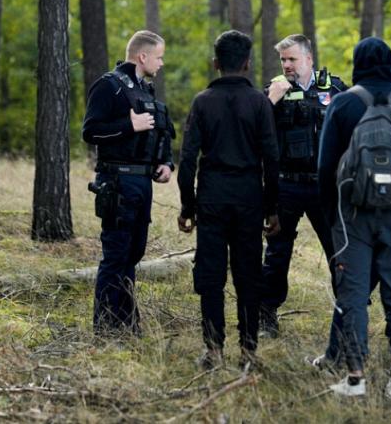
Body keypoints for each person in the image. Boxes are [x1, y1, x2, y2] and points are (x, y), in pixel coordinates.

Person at [316, 37, 391, 402]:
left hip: (352, 218)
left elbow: (324, 169)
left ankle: (355, 378)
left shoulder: (344, 103)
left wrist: (333, 217)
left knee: (352, 296)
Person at [177, 30, 281, 370]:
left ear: (216, 63)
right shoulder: (260, 103)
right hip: (249, 198)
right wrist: (271, 208)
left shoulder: (202, 101)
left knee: (210, 274)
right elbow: (272, 159)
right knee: (248, 274)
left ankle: (214, 350)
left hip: (212, 199)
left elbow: (188, 160)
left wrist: (187, 206)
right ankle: (249, 352)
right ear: (248, 63)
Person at [82, 30, 175, 336]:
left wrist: (165, 164)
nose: (161, 63)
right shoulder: (109, 86)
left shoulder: (145, 90)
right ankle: (105, 328)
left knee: (133, 255)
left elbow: (158, 135)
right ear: (142, 56)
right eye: (159, 57)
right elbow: (90, 131)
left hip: (141, 184)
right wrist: (127, 125)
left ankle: (126, 324)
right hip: (116, 181)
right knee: (116, 255)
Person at [260, 34, 348, 338]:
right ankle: (266, 314)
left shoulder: (335, 89)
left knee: (339, 249)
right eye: (283, 60)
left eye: (292, 59)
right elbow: (255, 129)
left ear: (309, 59)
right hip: (286, 186)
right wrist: (271, 100)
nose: (286, 65)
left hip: (325, 185)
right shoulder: (274, 91)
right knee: (277, 253)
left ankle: (347, 312)